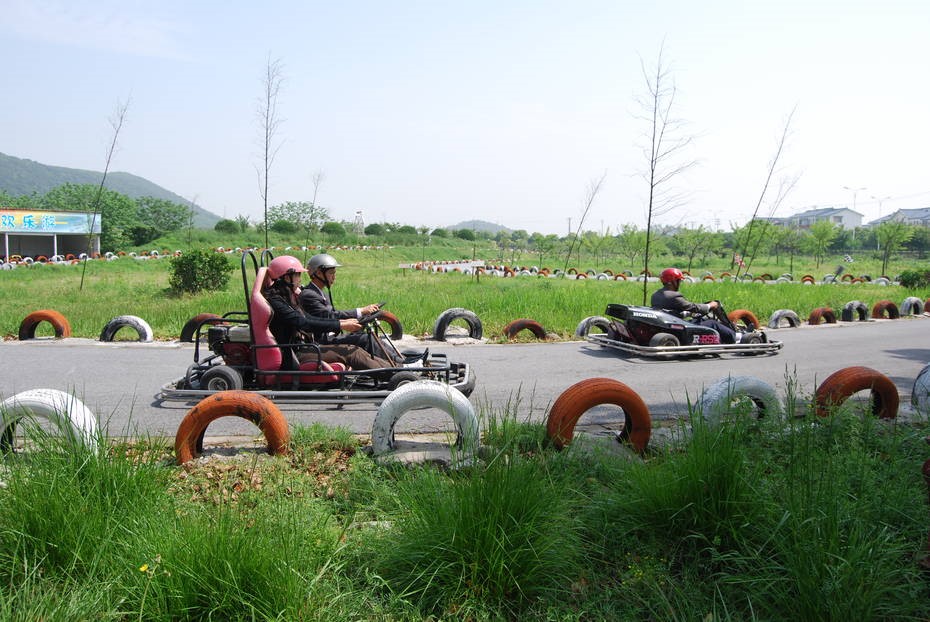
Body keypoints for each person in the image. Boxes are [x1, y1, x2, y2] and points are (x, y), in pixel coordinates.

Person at [263, 255, 397, 370]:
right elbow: (304, 323)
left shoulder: (285, 298)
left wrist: (342, 322)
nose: (300, 279)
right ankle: (395, 374)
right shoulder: (276, 301)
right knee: (352, 352)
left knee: (354, 349)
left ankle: (396, 368)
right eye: (297, 275)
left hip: (303, 348)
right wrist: (340, 324)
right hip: (295, 353)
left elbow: (308, 317)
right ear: (287, 277)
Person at [299, 253, 411, 363]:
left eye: (334, 273)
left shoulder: (320, 293)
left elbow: (333, 314)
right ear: (318, 273)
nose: (334, 277)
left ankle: (399, 359)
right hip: (323, 341)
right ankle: (398, 363)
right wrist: (360, 311)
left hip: (330, 336)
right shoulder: (309, 294)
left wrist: (360, 317)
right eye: (331, 273)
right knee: (364, 339)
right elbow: (329, 316)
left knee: (367, 335)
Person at [650, 267, 737, 344]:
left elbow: (670, 311)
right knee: (713, 323)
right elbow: (693, 307)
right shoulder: (673, 295)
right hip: (679, 327)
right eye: (678, 281)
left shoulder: (656, 295)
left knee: (702, 319)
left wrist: (688, 313)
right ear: (671, 282)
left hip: (669, 324)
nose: (679, 283)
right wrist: (710, 305)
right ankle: (735, 337)